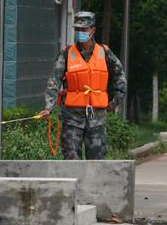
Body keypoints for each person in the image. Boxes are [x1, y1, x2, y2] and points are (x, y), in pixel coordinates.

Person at [38, 11, 126, 160]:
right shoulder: (66, 53)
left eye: (83, 29)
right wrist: (48, 107)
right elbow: (54, 80)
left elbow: (120, 75)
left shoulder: (104, 52)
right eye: (77, 29)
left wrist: (115, 101)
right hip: (72, 118)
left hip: (97, 118)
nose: (80, 33)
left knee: (97, 162)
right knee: (71, 160)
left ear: (92, 30)